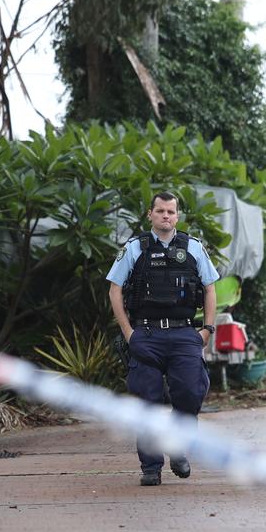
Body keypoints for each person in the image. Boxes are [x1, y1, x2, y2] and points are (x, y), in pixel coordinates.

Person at [107, 191, 219, 486]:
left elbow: (210, 288)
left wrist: (207, 328)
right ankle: (151, 467)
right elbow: (114, 289)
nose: (165, 216)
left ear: (177, 215)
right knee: (148, 401)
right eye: (160, 211)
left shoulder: (193, 247)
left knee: (189, 393)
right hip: (145, 333)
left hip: (184, 332)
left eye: (171, 211)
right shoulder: (134, 248)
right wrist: (128, 333)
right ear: (150, 214)